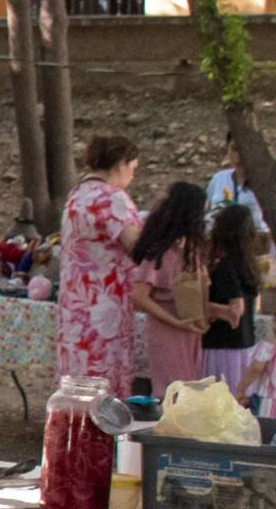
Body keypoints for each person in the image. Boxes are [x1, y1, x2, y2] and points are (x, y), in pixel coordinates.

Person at [57, 135, 145, 398]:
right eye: (133, 168)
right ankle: (103, 438)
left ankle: (72, 434)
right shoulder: (112, 199)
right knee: (103, 378)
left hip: (74, 305)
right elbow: (135, 245)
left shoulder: (77, 195)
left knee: (76, 380)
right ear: (120, 165)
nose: (132, 176)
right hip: (104, 306)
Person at [131, 181, 214, 392]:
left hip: (191, 330)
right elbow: (139, 296)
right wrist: (175, 321)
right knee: (172, 390)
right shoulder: (161, 251)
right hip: (167, 329)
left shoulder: (191, 249)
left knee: (191, 389)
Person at [205, 203, 263, 394]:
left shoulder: (225, 266)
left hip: (223, 345)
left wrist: (203, 309)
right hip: (245, 343)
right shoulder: (249, 265)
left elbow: (235, 308)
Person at [207, 137, 271, 245]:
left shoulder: (266, 183)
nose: (239, 156)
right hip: (221, 247)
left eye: (243, 149)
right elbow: (208, 210)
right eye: (234, 149)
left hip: (258, 248)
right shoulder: (218, 179)